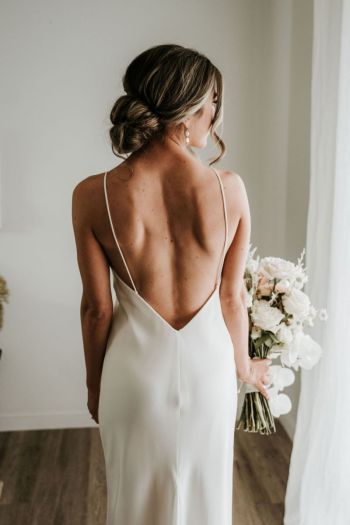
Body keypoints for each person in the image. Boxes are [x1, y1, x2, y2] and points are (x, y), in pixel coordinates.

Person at [72, 43, 271, 525]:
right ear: (188, 110)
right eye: (212, 102)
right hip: (208, 372)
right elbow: (232, 298)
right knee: (205, 499)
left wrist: (96, 387)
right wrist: (245, 369)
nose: (215, 116)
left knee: (133, 499)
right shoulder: (230, 189)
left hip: (131, 375)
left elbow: (97, 309)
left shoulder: (92, 194)